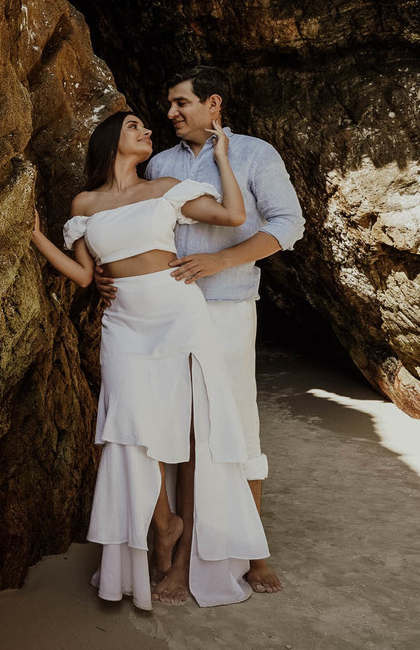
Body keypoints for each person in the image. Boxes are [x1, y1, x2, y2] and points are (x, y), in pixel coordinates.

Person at [31, 110, 269, 609]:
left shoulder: (167, 186)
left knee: (186, 423)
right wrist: (35, 236)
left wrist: (222, 158)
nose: (147, 132)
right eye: (135, 126)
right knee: (130, 424)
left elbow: (232, 216)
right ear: (111, 140)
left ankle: (191, 538)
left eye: (146, 128)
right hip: (124, 322)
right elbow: (80, 274)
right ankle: (163, 523)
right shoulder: (84, 204)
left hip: (178, 312)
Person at [96, 66, 305, 595]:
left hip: (228, 305)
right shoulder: (161, 164)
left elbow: (287, 224)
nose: (170, 114)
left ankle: (253, 553)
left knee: (234, 424)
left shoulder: (256, 154)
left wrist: (223, 261)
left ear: (212, 104)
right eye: (167, 105)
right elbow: (126, 228)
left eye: (180, 103)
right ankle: (184, 546)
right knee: (183, 430)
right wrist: (104, 275)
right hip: (167, 314)